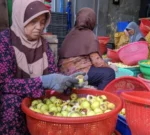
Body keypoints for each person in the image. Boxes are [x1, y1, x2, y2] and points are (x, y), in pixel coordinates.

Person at [0, 0, 85, 134]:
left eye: (42, 21)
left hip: (40, 103)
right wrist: (43, 82)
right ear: (19, 17)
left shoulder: (43, 44)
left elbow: (53, 76)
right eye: (33, 21)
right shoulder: (5, 42)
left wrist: (68, 81)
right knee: (12, 102)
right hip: (12, 105)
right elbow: (4, 84)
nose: (39, 27)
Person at [58, 8, 116, 90]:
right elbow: (97, 62)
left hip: (63, 71)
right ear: (92, 21)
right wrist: (110, 67)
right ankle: (98, 96)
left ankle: (91, 88)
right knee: (109, 73)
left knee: (98, 72)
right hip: (77, 72)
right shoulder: (89, 35)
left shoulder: (71, 33)